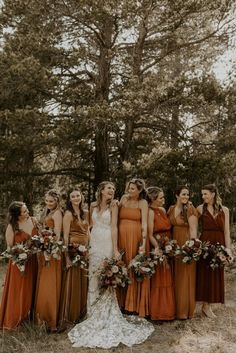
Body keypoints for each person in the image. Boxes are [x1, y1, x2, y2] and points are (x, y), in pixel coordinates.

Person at [68, 181, 154, 348]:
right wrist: (86, 244)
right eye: (109, 188)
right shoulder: (92, 205)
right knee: (92, 277)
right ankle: (92, 314)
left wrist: (115, 249)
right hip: (94, 242)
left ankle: (106, 314)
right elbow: (88, 227)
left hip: (107, 241)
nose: (112, 191)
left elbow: (114, 227)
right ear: (101, 190)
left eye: (114, 189)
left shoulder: (114, 206)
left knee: (104, 276)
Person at [196, 184, 233, 318]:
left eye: (205, 194)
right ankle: (205, 305)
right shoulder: (200, 208)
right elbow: (192, 224)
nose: (203, 196)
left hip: (219, 243)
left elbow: (227, 231)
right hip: (205, 242)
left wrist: (228, 249)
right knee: (205, 273)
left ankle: (208, 305)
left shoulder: (225, 210)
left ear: (213, 194)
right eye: (202, 194)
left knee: (215, 272)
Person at [0, 201, 38, 330]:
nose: (27, 212)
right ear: (17, 215)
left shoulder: (34, 221)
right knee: (19, 290)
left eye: (27, 209)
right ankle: (16, 319)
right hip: (19, 263)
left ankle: (30, 317)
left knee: (32, 288)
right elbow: (10, 248)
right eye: (24, 211)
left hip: (34, 261)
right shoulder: (12, 226)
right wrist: (20, 254)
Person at [118, 178, 150, 317]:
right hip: (121, 237)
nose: (129, 191)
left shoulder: (142, 203)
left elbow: (144, 223)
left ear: (139, 190)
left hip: (136, 236)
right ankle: (120, 303)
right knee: (121, 265)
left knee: (133, 266)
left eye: (132, 189)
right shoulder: (123, 199)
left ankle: (132, 305)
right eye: (129, 188)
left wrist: (143, 242)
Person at [59, 187, 89, 326]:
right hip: (73, 250)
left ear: (81, 196)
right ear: (70, 200)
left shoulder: (85, 213)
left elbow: (87, 232)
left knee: (83, 280)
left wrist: (88, 249)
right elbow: (65, 237)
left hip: (84, 251)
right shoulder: (68, 214)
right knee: (74, 281)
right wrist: (67, 257)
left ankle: (82, 312)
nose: (76, 198)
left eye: (78, 195)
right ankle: (71, 314)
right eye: (73, 196)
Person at [34, 189, 63, 332]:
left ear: (57, 201)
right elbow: (43, 229)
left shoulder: (57, 213)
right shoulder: (46, 212)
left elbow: (57, 235)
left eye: (51, 201)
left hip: (53, 252)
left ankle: (51, 319)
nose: (48, 203)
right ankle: (41, 318)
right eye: (47, 201)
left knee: (51, 283)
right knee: (44, 283)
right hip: (45, 250)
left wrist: (49, 248)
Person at [168, 186, 198, 319]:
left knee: (185, 277)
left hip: (186, 245)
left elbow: (193, 231)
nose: (186, 196)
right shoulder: (171, 209)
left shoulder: (190, 209)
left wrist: (191, 249)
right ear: (176, 195)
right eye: (183, 194)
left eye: (188, 194)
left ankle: (184, 311)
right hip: (174, 245)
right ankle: (174, 309)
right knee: (175, 276)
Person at [147, 187, 175, 321]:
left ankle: (167, 312)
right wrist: (158, 248)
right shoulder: (150, 212)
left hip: (167, 246)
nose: (163, 200)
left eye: (163, 197)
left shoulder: (163, 210)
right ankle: (157, 313)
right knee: (158, 279)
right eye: (161, 198)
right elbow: (149, 234)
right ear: (153, 199)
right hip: (157, 247)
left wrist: (169, 246)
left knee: (167, 277)